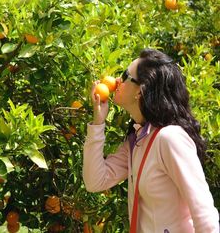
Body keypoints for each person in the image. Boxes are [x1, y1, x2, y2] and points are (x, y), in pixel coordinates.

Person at [83, 49, 219, 233]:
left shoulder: (170, 138)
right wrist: (98, 122)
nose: (116, 81)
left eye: (125, 75)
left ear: (141, 90)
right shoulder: (138, 141)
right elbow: (95, 182)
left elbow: (204, 215)